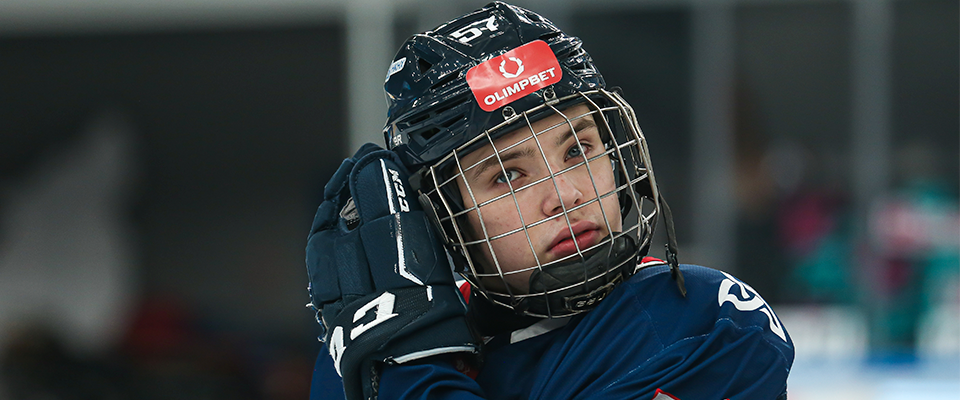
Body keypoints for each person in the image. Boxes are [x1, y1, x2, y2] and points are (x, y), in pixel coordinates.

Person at [305, 2, 794, 400]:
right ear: (441, 215)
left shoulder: (705, 321)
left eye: (578, 149)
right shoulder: (376, 337)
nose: (566, 195)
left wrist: (410, 369)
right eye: (508, 175)